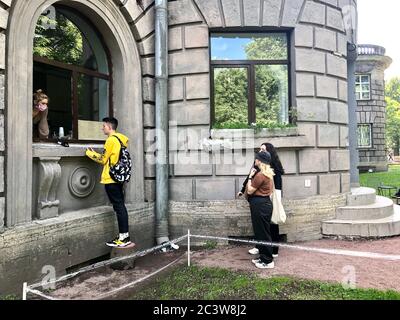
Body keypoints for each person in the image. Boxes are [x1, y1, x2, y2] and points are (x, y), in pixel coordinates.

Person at [86, 117, 133, 248]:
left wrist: (89, 154)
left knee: (119, 207)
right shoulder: (120, 139)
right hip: (118, 177)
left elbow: (103, 160)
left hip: (111, 178)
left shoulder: (111, 140)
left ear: (109, 127)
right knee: (120, 206)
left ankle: (124, 237)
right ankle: (124, 236)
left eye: (104, 126)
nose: (102, 128)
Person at [246, 151, 275, 269]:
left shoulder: (260, 175)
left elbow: (249, 190)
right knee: (261, 232)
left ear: (260, 161)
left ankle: (268, 261)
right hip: (264, 204)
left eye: (256, 159)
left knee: (263, 233)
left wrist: (249, 177)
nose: (255, 160)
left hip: (260, 205)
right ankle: (263, 256)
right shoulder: (268, 174)